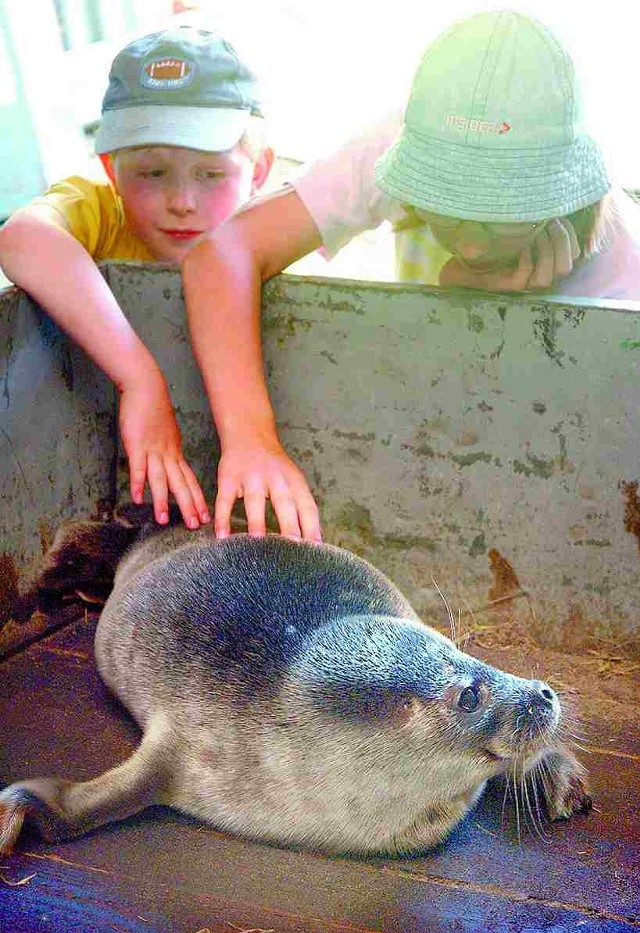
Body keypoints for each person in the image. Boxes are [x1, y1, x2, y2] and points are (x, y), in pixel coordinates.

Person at [181, 8, 640, 543]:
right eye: (446, 205)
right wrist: (251, 439)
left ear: (558, 187)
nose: (468, 242)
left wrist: (511, 316)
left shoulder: (622, 271)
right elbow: (222, 253)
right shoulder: (394, 146)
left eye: (499, 216)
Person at [0, 26, 276, 531]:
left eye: (210, 174)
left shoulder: (266, 236)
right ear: (111, 169)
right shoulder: (104, 213)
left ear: (259, 171)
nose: (182, 200)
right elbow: (20, 238)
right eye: (152, 173)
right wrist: (139, 378)